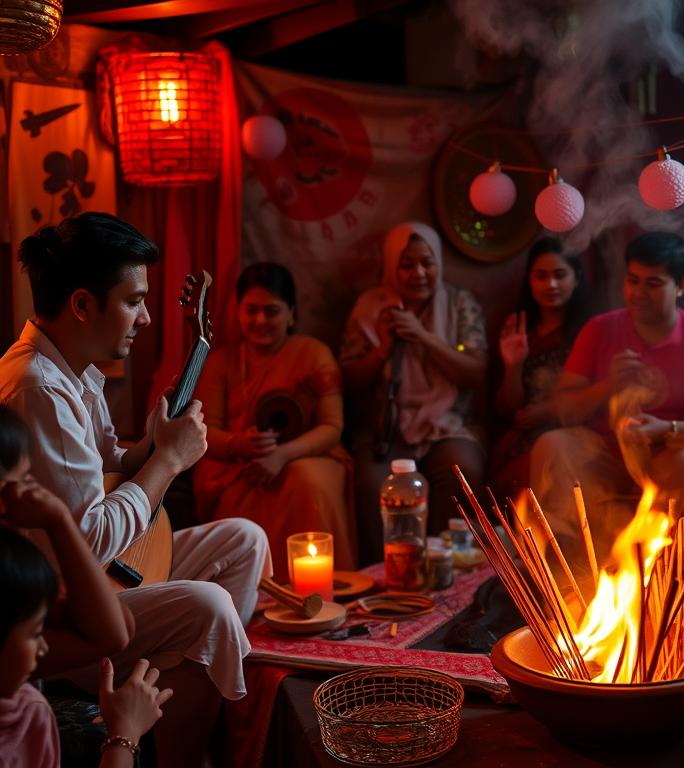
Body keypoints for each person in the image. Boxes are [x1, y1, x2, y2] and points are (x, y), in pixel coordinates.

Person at [0, 212, 271, 767]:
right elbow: (86, 537)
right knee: (209, 607)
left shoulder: (73, 370)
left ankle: (189, 705)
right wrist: (168, 462)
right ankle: (185, 751)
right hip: (63, 604)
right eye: (134, 300)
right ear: (82, 304)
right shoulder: (36, 390)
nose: (146, 317)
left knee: (245, 541)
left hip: (106, 571)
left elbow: (107, 470)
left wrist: (150, 446)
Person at [530, 231, 684, 565]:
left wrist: (666, 429)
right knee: (553, 445)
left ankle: (668, 576)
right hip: (606, 454)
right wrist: (608, 386)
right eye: (633, 281)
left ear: (680, 285)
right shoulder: (600, 330)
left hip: (673, 454)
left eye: (653, 284)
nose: (639, 293)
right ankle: (573, 571)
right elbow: (565, 410)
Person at [0, 406, 171, 768]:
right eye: (15, 490)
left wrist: (58, 520)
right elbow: (112, 636)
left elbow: (118, 628)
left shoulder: (14, 574)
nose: (30, 499)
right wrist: (124, 735)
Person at [193, 262, 357, 577]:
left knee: (305, 480)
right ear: (237, 311)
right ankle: (256, 597)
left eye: (272, 311)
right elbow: (202, 431)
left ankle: (320, 589)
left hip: (310, 455)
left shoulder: (313, 354)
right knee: (246, 494)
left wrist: (282, 455)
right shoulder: (220, 364)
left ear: (291, 313)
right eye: (251, 310)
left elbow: (332, 428)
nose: (260, 320)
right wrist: (238, 444)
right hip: (237, 468)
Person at [341, 222, 487, 566]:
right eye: (407, 265)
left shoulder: (458, 304)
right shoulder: (370, 307)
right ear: (391, 266)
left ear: (439, 264)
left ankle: (447, 577)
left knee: (462, 469)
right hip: (384, 429)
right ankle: (386, 579)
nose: (418, 273)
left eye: (427, 263)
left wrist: (424, 336)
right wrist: (382, 351)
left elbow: (476, 373)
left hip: (448, 422)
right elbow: (348, 381)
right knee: (372, 484)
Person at [490, 237, 589, 501]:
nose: (551, 285)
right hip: (523, 439)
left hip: (576, 433)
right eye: (541, 276)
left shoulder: (590, 332)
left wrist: (549, 410)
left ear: (576, 278)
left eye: (560, 275)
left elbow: (599, 395)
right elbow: (510, 409)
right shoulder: (520, 331)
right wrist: (514, 365)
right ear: (529, 280)